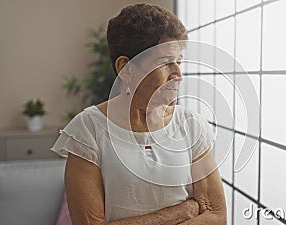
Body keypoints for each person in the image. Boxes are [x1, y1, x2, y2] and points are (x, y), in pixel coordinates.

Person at [51, 3, 226, 225]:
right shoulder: (88, 131)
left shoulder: (190, 125)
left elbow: (217, 217)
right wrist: (183, 211)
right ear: (126, 68)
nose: (178, 74)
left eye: (179, 61)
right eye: (165, 63)